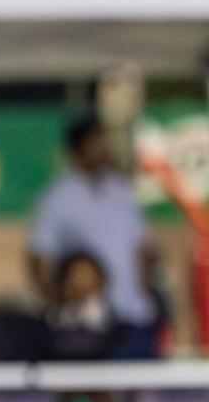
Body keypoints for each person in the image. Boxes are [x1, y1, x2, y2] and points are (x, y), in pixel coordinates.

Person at [28, 116, 160, 359]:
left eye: (102, 142)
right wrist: (57, 301)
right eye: (94, 143)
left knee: (141, 392)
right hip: (90, 325)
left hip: (134, 313)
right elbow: (37, 256)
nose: (102, 149)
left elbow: (145, 246)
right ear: (76, 151)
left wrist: (146, 289)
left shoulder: (122, 192)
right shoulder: (58, 198)